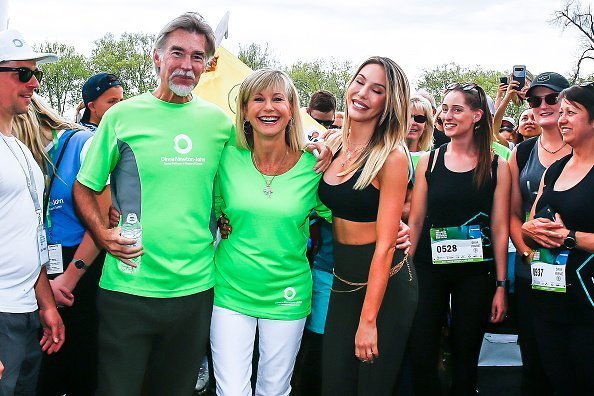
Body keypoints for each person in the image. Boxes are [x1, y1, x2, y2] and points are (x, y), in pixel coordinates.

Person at [72, 13, 235, 395]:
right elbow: (84, 187)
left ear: (208, 65)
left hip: (195, 291)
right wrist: (102, 232)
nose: (186, 64)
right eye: (177, 52)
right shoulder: (123, 116)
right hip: (128, 289)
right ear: (157, 56)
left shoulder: (220, 125)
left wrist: (319, 148)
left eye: (197, 57)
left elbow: (248, 176)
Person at [210, 68, 331, 396]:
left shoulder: (315, 166)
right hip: (229, 290)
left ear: (292, 109)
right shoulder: (226, 157)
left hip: (287, 294)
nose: (268, 107)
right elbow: (209, 205)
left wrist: (398, 226)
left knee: (274, 390)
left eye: (278, 99)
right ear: (245, 110)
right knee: (231, 391)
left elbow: (347, 214)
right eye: (258, 99)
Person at [318, 56, 418, 395]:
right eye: (359, 81)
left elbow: (387, 245)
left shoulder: (391, 156)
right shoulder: (335, 144)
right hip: (342, 277)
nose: (362, 93)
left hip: (385, 283)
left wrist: (368, 320)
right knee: (334, 381)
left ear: (389, 103)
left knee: (371, 386)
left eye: (377, 90)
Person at [408, 82, 510, 396]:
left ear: (478, 115)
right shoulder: (430, 160)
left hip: (476, 274)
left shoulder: (497, 165)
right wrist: (404, 271)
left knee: (465, 354)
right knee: (423, 349)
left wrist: (501, 286)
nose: (447, 116)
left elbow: (500, 227)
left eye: (457, 109)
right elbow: (415, 220)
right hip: (428, 269)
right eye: (444, 108)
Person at [12, 94, 110, 396]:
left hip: (83, 263)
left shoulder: (83, 143)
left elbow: (104, 217)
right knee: (48, 362)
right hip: (44, 267)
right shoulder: (26, 155)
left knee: (83, 361)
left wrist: (70, 276)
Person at [0, 29, 65, 395]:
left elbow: (31, 235)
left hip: (26, 312)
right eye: (22, 73)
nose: (34, 83)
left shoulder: (23, 151)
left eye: (35, 73)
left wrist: (46, 304)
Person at [521, 82, 594, 396]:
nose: (562, 119)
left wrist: (569, 238)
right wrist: (531, 231)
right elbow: (530, 223)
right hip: (548, 295)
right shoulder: (555, 169)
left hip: (587, 302)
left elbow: (566, 236)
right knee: (555, 380)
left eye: (572, 113)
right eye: (560, 112)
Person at [509, 71, 570, 396]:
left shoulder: (583, 147)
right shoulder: (522, 152)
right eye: (535, 100)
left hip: (578, 269)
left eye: (551, 98)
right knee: (534, 359)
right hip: (531, 270)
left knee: (574, 360)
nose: (542, 105)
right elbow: (512, 213)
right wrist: (528, 254)